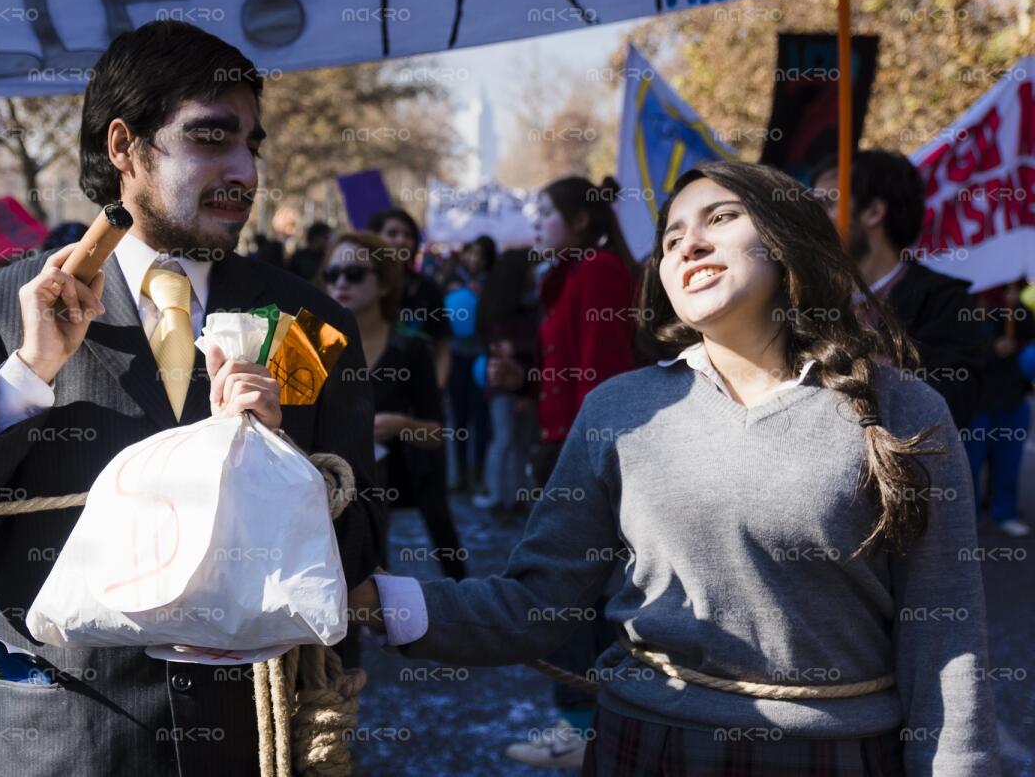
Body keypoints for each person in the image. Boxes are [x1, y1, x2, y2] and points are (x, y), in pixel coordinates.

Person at [352, 162, 1000, 776]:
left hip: (836, 752)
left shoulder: (904, 407)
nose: (689, 244)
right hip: (643, 740)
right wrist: (377, 601)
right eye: (670, 238)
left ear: (785, 240)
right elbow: (535, 602)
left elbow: (944, 634)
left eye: (719, 218)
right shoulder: (619, 409)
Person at [0, 21, 382, 777]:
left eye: (252, 143)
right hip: (70, 746)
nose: (244, 169)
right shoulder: (0, 304)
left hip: (249, 744)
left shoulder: (310, 320)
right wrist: (28, 372)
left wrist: (280, 467)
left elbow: (362, 543)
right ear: (123, 147)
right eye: (211, 138)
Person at [486, 175, 643, 768]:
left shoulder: (599, 269)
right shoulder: (571, 274)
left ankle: (585, 730)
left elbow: (605, 382)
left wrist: (585, 465)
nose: (535, 223)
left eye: (545, 211)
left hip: (584, 456)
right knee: (573, 598)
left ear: (580, 221)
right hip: (563, 448)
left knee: (572, 598)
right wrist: (527, 381)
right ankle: (585, 725)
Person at [321, 231, 466, 581]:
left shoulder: (411, 348)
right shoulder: (313, 343)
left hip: (409, 476)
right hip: (338, 490)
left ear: (384, 285)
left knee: (439, 548)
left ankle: (459, 615)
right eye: (332, 274)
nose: (341, 282)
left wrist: (401, 424)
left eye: (354, 274)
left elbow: (437, 433)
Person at [812, 150, 986, 429]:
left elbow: (954, 404)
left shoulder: (944, 302)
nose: (814, 218)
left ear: (873, 212)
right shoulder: (805, 297)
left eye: (826, 204)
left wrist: (872, 368)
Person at [473, 246, 539, 515]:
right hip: (504, 384)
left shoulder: (522, 303)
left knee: (517, 441)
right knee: (506, 438)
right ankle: (499, 494)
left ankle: (513, 495)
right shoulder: (504, 308)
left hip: (522, 383)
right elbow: (502, 351)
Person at [964, 284, 1033, 537]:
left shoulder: (1011, 301)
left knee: (1008, 463)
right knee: (968, 466)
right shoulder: (961, 306)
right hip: (976, 403)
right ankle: (964, 519)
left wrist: (1016, 307)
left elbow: (1029, 332)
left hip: (1011, 398)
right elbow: (952, 352)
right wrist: (990, 351)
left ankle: (1005, 512)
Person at [367, 208, 452, 388]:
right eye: (392, 233)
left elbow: (442, 349)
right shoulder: (357, 283)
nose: (401, 240)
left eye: (408, 235)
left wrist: (433, 394)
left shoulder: (428, 290)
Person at [446, 236, 496, 493]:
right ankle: (461, 475)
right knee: (460, 418)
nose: (474, 260)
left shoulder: (495, 284)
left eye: (480, 256)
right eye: (471, 254)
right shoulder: (452, 279)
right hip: (457, 357)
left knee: (481, 417)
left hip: (481, 358)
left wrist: (485, 298)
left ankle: (478, 474)